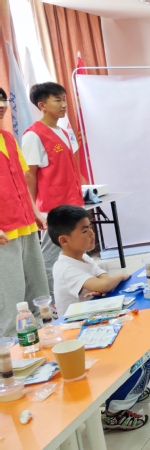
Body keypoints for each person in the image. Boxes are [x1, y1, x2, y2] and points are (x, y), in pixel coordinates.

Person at [48, 205, 150, 431]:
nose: (92, 234)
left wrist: (104, 283)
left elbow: (102, 279)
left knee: (143, 338)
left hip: (93, 321)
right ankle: (114, 412)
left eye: (91, 227)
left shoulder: (83, 257)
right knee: (142, 351)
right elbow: (105, 284)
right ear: (64, 240)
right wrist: (117, 277)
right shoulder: (65, 267)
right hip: (77, 337)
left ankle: (127, 390)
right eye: (84, 230)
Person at [21, 82, 84, 298]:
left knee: (75, 252)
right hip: (52, 209)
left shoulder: (63, 132)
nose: (63, 104)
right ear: (42, 105)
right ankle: (52, 301)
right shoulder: (33, 135)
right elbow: (29, 176)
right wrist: (34, 211)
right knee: (50, 257)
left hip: (73, 204)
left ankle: (75, 295)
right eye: (57, 100)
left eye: (64, 99)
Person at [0, 87, 49, 336]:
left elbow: (20, 177)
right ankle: (9, 340)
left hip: (25, 221)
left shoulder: (8, 138)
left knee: (36, 282)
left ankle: (42, 328)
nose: (1, 107)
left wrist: (35, 211)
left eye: (3, 102)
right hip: (4, 229)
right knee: (12, 290)